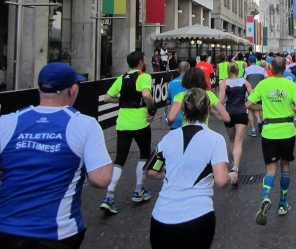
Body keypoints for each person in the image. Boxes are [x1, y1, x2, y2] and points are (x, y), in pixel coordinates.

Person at [0, 62, 113, 248]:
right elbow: (101, 179)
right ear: (73, 89)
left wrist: (2, 170)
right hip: (58, 234)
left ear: (39, 88)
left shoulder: (6, 122)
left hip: (8, 232)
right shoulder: (85, 125)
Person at [148, 88, 238, 249]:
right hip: (197, 218)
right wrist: (232, 176)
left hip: (161, 219)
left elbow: (150, 171)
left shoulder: (167, 138)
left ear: (183, 110)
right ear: (208, 110)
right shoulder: (216, 140)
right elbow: (221, 180)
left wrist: (172, 172)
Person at [246, 57, 296, 225]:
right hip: (287, 131)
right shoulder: (291, 84)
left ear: (271, 69)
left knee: (271, 169)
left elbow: (248, 104)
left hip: (269, 132)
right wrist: (294, 110)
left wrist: (263, 107)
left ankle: (266, 196)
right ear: (285, 68)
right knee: (285, 165)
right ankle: (282, 203)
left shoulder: (263, 84)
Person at [100, 51, 156, 215]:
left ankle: (109, 196)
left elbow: (106, 98)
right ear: (140, 62)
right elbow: (146, 94)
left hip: (123, 123)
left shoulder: (122, 78)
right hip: (140, 123)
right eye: (145, 60)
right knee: (144, 154)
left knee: (120, 159)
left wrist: (123, 100)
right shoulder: (144, 76)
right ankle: (138, 190)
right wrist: (151, 107)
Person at [219, 62, 253, 185]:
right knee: (239, 141)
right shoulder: (244, 81)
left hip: (229, 113)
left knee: (232, 140)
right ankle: (236, 167)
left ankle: (233, 163)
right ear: (238, 70)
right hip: (242, 112)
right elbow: (253, 94)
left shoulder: (224, 82)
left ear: (228, 70)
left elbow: (220, 100)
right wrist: (246, 104)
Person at [244, 55, 268, 136]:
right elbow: (266, 78)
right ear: (256, 61)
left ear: (249, 62)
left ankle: (253, 129)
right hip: (261, 92)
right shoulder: (262, 69)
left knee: (250, 109)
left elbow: (244, 80)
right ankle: (263, 125)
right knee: (261, 108)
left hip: (250, 92)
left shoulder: (246, 70)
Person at [166, 61, 190, 129]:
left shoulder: (171, 83)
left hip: (175, 117)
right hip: (188, 118)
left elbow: (168, 100)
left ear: (178, 70)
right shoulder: (191, 83)